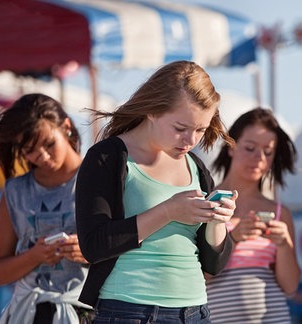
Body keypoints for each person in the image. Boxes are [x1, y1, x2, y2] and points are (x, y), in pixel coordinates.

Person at [75, 60, 237, 323]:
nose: (191, 140)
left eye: (201, 130)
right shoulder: (107, 157)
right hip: (128, 310)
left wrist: (218, 220)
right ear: (152, 110)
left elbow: (213, 265)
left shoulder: (195, 166)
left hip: (196, 312)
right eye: (180, 128)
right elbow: (93, 245)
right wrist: (168, 211)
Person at [0, 93, 92, 323]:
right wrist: (34, 256)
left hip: (90, 311)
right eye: (30, 150)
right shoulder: (15, 192)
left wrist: (89, 252)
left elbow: (135, 249)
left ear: (65, 126)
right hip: (29, 313)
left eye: (49, 144)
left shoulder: (101, 178)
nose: (43, 156)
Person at [205, 107, 301, 323]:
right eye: (250, 148)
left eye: (268, 152)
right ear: (231, 146)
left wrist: (285, 245)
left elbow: (291, 287)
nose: (258, 158)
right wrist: (234, 239)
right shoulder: (206, 202)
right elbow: (199, 276)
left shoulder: (279, 212)